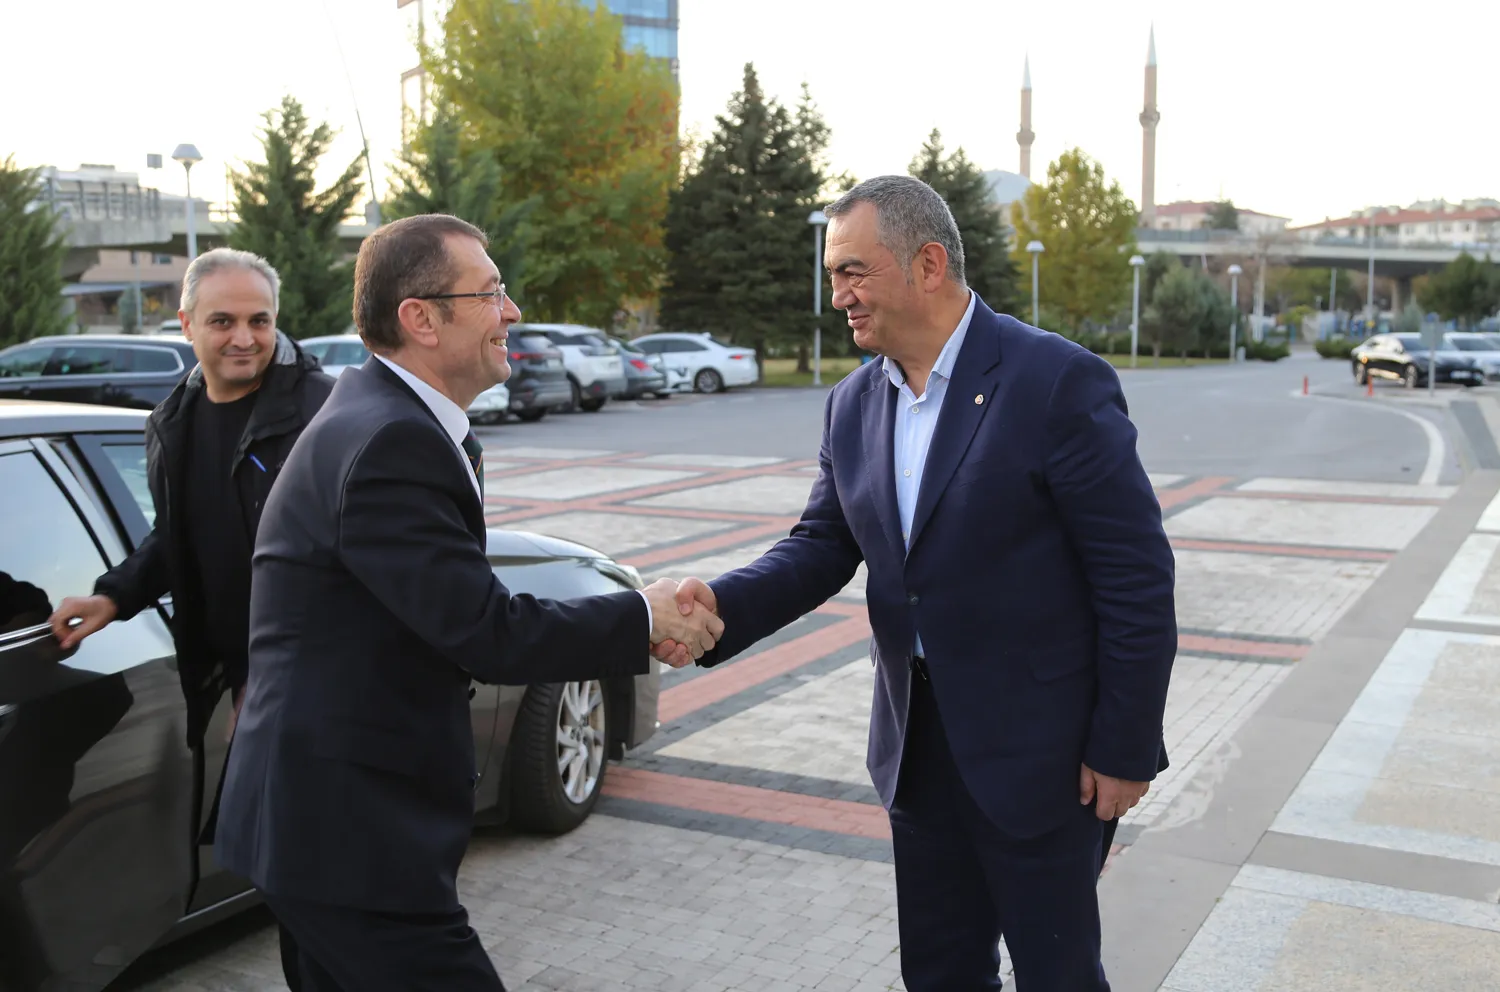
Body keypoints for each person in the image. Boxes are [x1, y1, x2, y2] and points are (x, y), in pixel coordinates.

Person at [656, 176, 1175, 991]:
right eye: (834, 275)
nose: (838, 296)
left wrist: (1125, 745)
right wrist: (720, 606)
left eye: (853, 271)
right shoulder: (853, 403)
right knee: (938, 974)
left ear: (928, 264)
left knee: (1059, 974)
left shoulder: (1054, 382)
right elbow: (823, 544)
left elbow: (1135, 579)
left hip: (1045, 758)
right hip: (917, 753)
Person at [214, 213, 721, 992]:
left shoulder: (388, 419)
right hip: (349, 833)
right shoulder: (389, 439)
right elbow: (485, 631)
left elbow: (442, 607)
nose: (511, 311)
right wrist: (645, 615)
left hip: (328, 825)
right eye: (489, 293)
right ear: (420, 318)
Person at [47, 246, 333, 986]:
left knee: (325, 877)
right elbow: (179, 534)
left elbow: (360, 552)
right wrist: (114, 595)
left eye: (260, 320)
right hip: (248, 681)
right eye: (223, 321)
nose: (244, 337)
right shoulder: (174, 418)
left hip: (325, 683)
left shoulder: (323, 412)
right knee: (290, 873)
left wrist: (285, 679)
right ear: (186, 324)